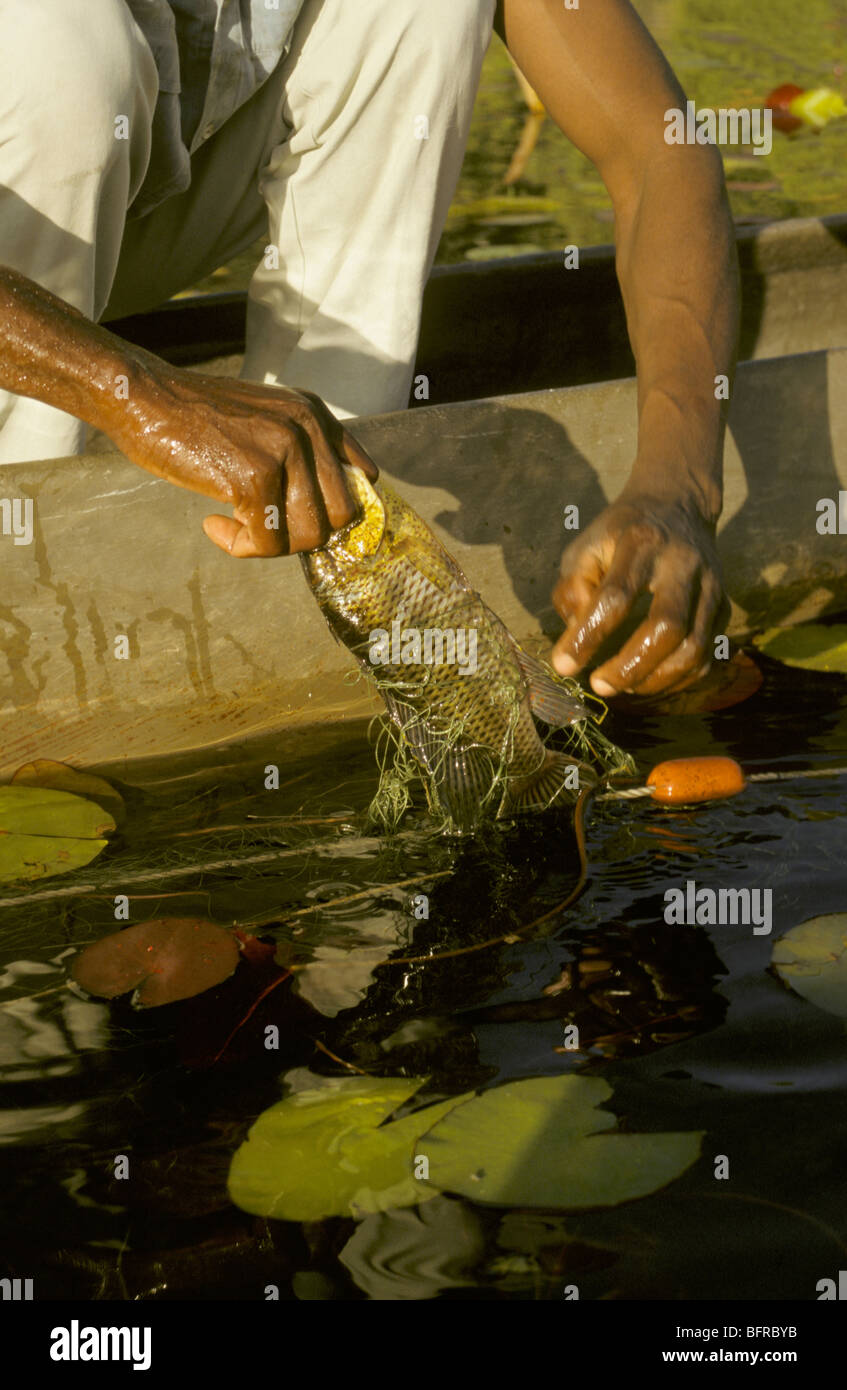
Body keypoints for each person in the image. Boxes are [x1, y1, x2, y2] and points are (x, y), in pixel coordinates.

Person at [0, 0, 737, 697]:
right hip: (35, 184)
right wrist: (136, 395)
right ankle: (25, 549)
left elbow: (656, 155)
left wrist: (678, 488)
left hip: (150, 195)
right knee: (62, 60)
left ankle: (327, 522)